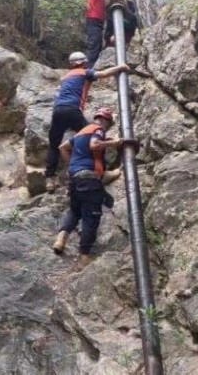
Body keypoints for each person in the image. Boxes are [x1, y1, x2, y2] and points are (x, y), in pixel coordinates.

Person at [51, 107, 138, 267]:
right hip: (89, 180)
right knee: (91, 216)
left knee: (75, 211)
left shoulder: (82, 131)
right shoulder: (98, 130)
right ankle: (84, 256)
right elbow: (94, 144)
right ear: (105, 121)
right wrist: (114, 142)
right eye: (109, 124)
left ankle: (61, 238)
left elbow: (62, 147)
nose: (107, 128)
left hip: (75, 178)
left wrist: (73, 165)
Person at [45, 53, 129, 192]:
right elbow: (103, 74)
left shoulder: (65, 77)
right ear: (84, 63)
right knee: (94, 134)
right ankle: (103, 171)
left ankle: (49, 178)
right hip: (73, 110)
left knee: (54, 145)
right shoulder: (85, 72)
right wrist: (120, 67)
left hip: (58, 111)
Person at [85, 0, 125, 68]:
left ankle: (93, 69)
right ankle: (89, 70)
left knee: (97, 46)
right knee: (93, 46)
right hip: (93, 22)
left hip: (98, 23)